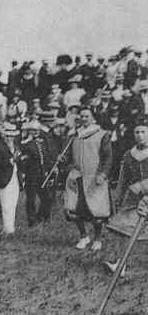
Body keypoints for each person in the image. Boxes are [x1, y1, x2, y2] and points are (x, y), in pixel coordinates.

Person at [103, 117, 148, 272]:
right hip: (136, 202)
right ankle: (120, 264)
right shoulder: (129, 155)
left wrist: (142, 185)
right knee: (122, 227)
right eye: (137, 132)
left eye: (143, 132)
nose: (140, 135)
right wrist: (118, 198)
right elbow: (123, 180)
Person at [64, 107, 113, 251]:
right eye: (82, 116)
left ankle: (98, 239)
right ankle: (84, 236)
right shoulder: (75, 135)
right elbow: (69, 155)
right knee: (75, 210)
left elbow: (108, 157)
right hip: (77, 177)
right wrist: (63, 159)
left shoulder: (102, 135)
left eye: (87, 116)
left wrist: (103, 175)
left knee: (96, 212)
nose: (84, 119)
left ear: (94, 118)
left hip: (94, 179)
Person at [18, 119, 57, 226]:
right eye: (34, 130)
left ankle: (41, 216)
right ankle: (32, 221)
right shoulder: (25, 144)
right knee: (31, 199)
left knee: (47, 197)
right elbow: (23, 161)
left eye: (38, 130)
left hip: (41, 174)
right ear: (29, 131)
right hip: (31, 176)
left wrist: (51, 167)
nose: (36, 132)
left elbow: (46, 158)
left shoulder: (42, 142)